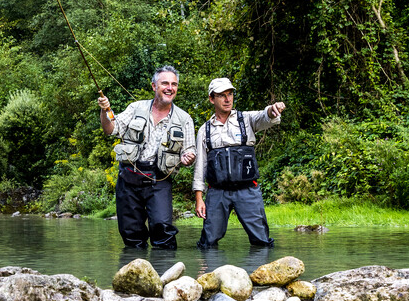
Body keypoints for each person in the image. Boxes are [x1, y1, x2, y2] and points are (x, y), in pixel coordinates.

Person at [97, 65, 196, 249]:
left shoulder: (185, 119)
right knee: (131, 234)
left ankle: (165, 275)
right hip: (129, 177)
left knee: (163, 231)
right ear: (153, 86)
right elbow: (110, 129)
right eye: (164, 83)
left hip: (159, 180)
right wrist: (104, 110)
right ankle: (136, 275)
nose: (170, 87)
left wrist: (188, 157)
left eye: (174, 84)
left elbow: (189, 150)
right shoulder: (135, 108)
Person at [192, 77, 286, 248]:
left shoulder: (247, 119)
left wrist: (273, 110)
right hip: (217, 192)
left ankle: (264, 273)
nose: (227, 99)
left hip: (248, 190)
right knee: (208, 242)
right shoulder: (204, 130)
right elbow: (200, 167)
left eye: (230, 94)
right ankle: (208, 273)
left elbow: (266, 116)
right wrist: (199, 199)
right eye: (222, 95)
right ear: (212, 99)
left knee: (262, 241)